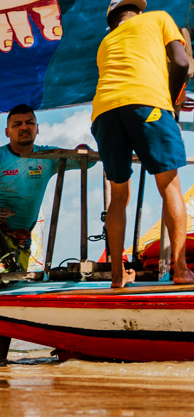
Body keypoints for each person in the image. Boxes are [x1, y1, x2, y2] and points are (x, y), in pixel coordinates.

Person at [92, 0, 194, 288]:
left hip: (104, 112)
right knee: (169, 185)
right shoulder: (159, 18)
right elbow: (183, 62)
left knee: (118, 194)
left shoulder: (105, 42)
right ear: (138, 10)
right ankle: (181, 270)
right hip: (148, 104)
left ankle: (116, 276)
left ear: (111, 19)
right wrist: (172, 103)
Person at [0, 104, 96, 295]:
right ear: (7, 132)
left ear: (37, 128)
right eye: (17, 124)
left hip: (17, 242)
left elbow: (88, 161)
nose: (24, 127)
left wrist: (83, 149)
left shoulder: (47, 156)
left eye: (29, 123)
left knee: (9, 283)